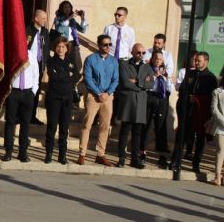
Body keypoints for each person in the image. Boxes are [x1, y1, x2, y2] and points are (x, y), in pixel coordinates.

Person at [78, 34, 119, 166]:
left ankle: (100, 154)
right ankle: (82, 153)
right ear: (99, 45)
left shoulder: (113, 61)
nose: (108, 47)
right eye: (105, 44)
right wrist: (98, 92)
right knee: (87, 124)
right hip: (93, 96)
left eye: (109, 45)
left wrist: (108, 93)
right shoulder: (91, 59)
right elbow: (88, 78)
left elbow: (116, 79)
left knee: (105, 126)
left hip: (108, 97)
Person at [115, 43, 154, 168]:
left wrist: (137, 81)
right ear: (132, 52)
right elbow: (125, 82)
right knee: (125, 130)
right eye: (138, 52)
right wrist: (142, 85)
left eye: (143, 53)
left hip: (141, 102)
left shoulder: (147, 67)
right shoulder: (124, 64)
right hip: (128, 101)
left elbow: (151, 84)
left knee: (137, 132)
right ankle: (121, 157)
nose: (141, 55)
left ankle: (134, 158)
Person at [180, 51, 218, 173]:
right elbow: (182, 89)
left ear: (206, 62)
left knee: (200, 138)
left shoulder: (210, 77)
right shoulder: (190, 73)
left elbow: (211, 96)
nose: (196, 62)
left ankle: (196, 163)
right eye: (195, 60)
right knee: (183, 135)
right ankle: (177, 159)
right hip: (188, 109)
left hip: (201, 112)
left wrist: (196, 99)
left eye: (199, 61)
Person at [44, 36, 80, 164]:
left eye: (63, 47)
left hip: (67, 99)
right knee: (52, 127)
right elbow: (53, 76)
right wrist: (67, 74)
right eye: (58, 46)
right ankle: (48, 153)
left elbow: (76, 76)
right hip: (54, 98)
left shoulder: (71, 60)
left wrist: (63, 74)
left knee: (64, 128)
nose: (60, 49)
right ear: (55, 48)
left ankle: (62, 155)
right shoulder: (51, 61)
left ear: (67, 48)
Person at [2, 49, 39, 162]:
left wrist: (33, 91)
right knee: (10, 122)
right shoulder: (12, 54)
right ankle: (8, 152)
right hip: (14, 92)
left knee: (25, 124)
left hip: (27, 92)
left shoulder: (31, 55)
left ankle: (22, 152)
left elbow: (35, 74)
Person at [141, 50, 174, 168]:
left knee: (161, 127)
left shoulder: (164, 72)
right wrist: (155, 77)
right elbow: (145, 85)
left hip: (162, 99)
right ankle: (142, 152)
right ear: (152, 59)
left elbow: (170, 88)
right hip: (150, 98)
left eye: (160, 59)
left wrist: (166, 78)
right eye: (156, 58)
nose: (158, 60)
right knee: (145, 125)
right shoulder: (147, 69)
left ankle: (162, 155)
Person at [26, 9, 49, 125]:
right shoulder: (28, 30)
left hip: (39, 66)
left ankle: (32, 116)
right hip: (28, 66)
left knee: (36, 90)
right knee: (25, 90)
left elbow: (46, 49)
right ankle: (22, 115)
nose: (45, 20)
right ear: (36, 18)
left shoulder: (45, 32)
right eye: (43, 18)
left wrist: (46, 66)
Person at [50, 0, 88, 71]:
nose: (68, 9)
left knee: (71, 63)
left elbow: (83, 30)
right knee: (61, 61)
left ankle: (69, 77)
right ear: (62, 8)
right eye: (65, 7)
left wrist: (82, 18)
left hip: (72, 44)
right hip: (62, 43)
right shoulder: (58, 18)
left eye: (69, 7)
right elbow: (60, 29)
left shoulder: (72, 20)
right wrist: (70, 17)